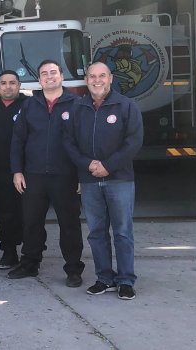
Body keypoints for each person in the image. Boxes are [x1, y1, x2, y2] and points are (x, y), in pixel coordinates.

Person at [62, 62, 143, 300]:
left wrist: (108, 166)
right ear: (86, 80)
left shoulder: (126, 106)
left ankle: (126, 280)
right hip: (89, 180)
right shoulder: (77, 108)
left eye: (102, 76)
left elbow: (134, 142)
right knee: (96, 232)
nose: (97, 80)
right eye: (92, 76)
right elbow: (68, 141)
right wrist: (87, 165)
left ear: (110, 78)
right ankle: (104, 279)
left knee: (123, 232)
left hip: (120, 179)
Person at [7, 60, 85, 288]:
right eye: (44, 74)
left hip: (66, 175)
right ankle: (29, 264)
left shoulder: (77, 104)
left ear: (62, 76)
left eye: (53, 72)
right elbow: (17, 141)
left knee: (69, 224)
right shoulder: (30, 106)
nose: (49, 77)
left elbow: (84, 144)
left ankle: (73, 269)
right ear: (39, 80)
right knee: (31, 222)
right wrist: (17, 171)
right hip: (34, 175)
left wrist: (82, 174)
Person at [0, 71, 28, 270]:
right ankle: (9, 253)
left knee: (30, 215)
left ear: (19, 85)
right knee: (5, 215)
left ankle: (30, 256)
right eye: (3, 83)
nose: (8, 87)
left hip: (28, 171)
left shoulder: (31, 107)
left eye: (12, 83)